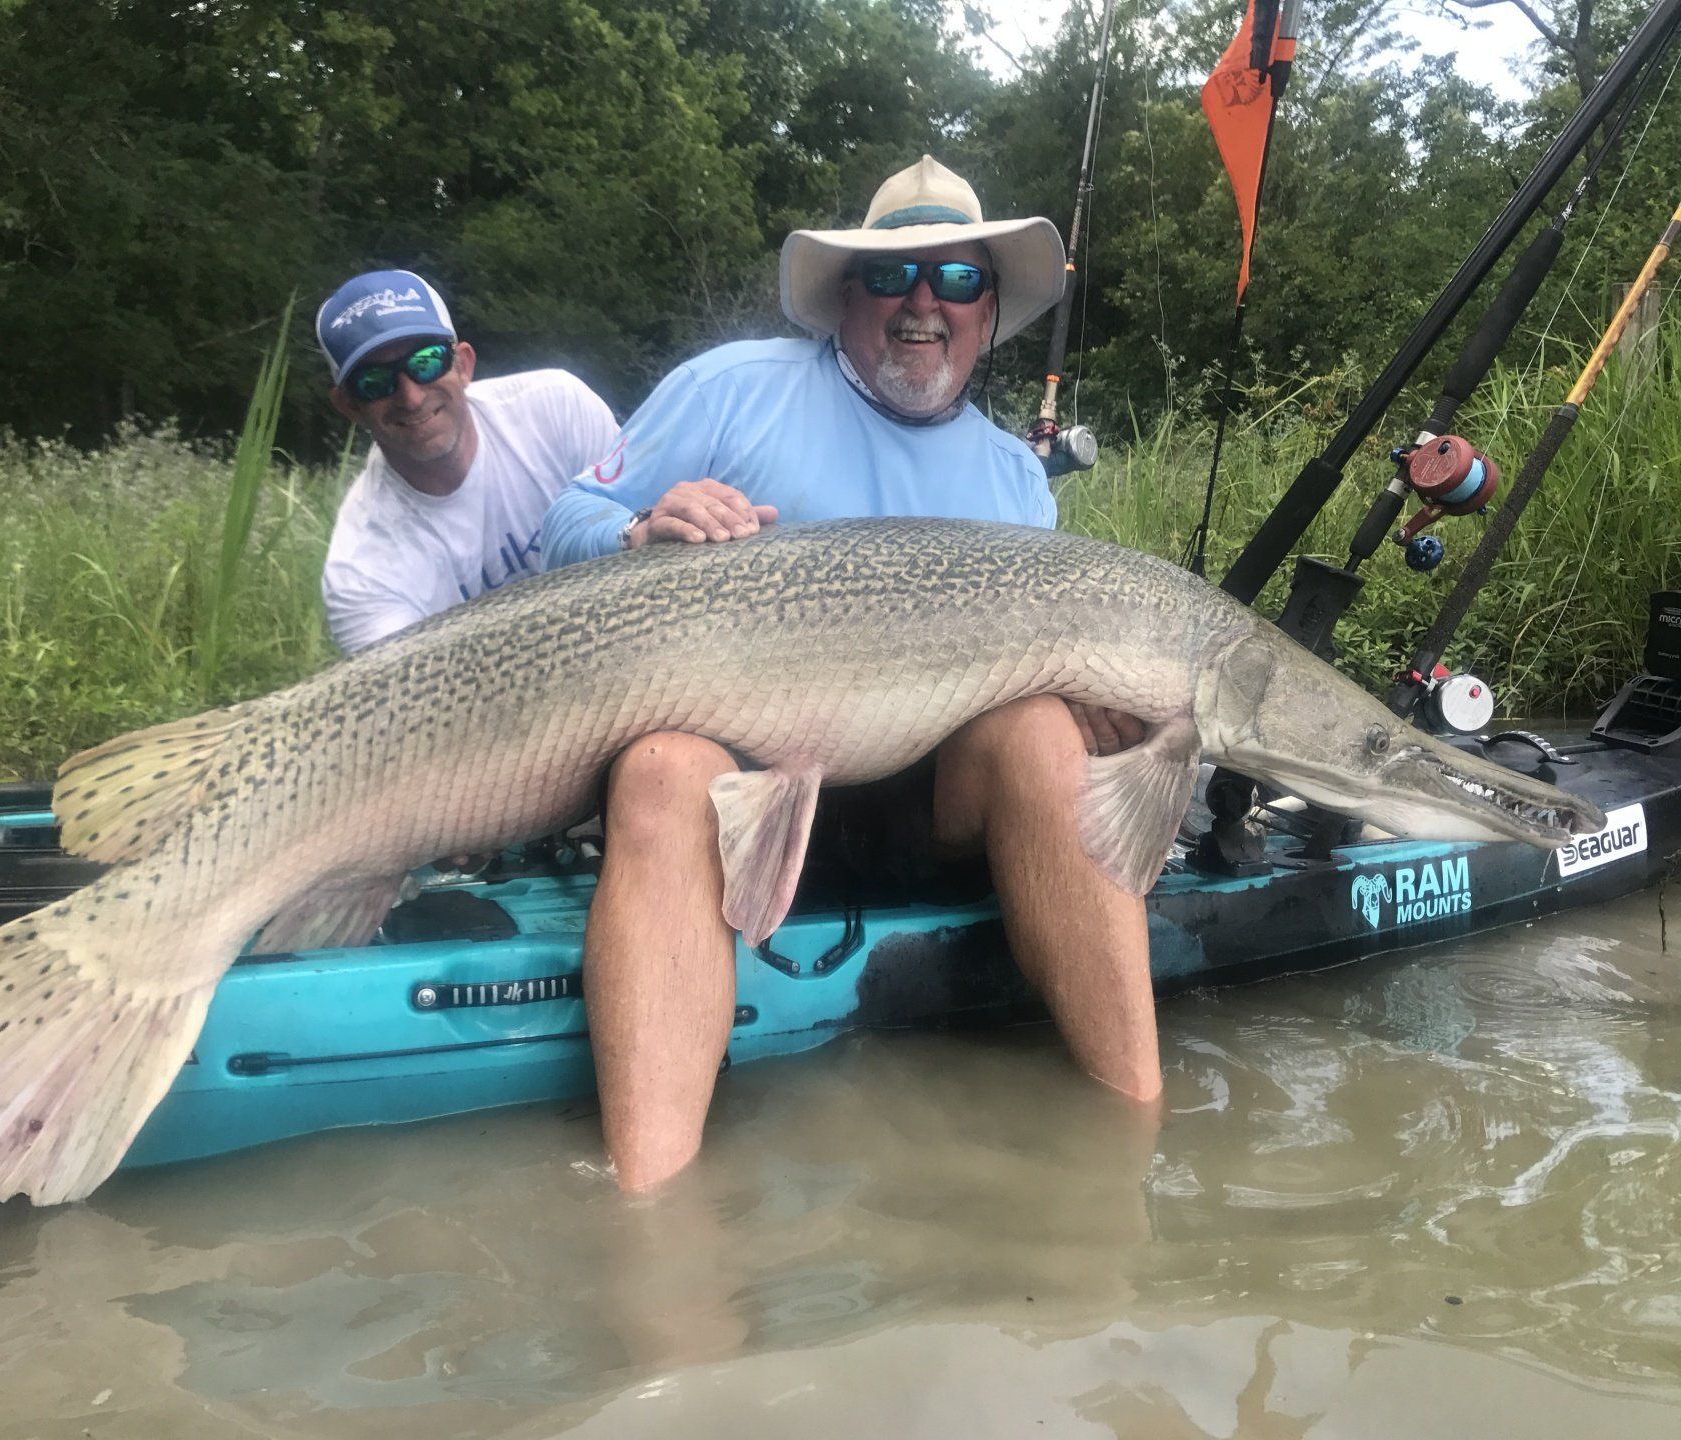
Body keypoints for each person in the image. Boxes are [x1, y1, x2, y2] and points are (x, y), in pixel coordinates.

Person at [540, 155, 1158, 1193]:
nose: (924, 304)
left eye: (955, 280)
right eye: (894, 277)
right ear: (845, 298)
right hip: (733, 783)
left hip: (930, 798)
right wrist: (642, 526)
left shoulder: (1016, 479)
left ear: (987, 309)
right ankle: (650, 1220)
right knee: (659, 764)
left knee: (1046, 731)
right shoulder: (730, 389)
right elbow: (563, 522)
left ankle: (1137, 1144)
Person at [316, 269, 619, 654]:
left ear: (463, 364)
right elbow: (413, 704)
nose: (410, 397)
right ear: (348, 406)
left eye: (426, 362)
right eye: (374, 382)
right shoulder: (361, 575)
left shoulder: (559, 408)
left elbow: (644, 541)